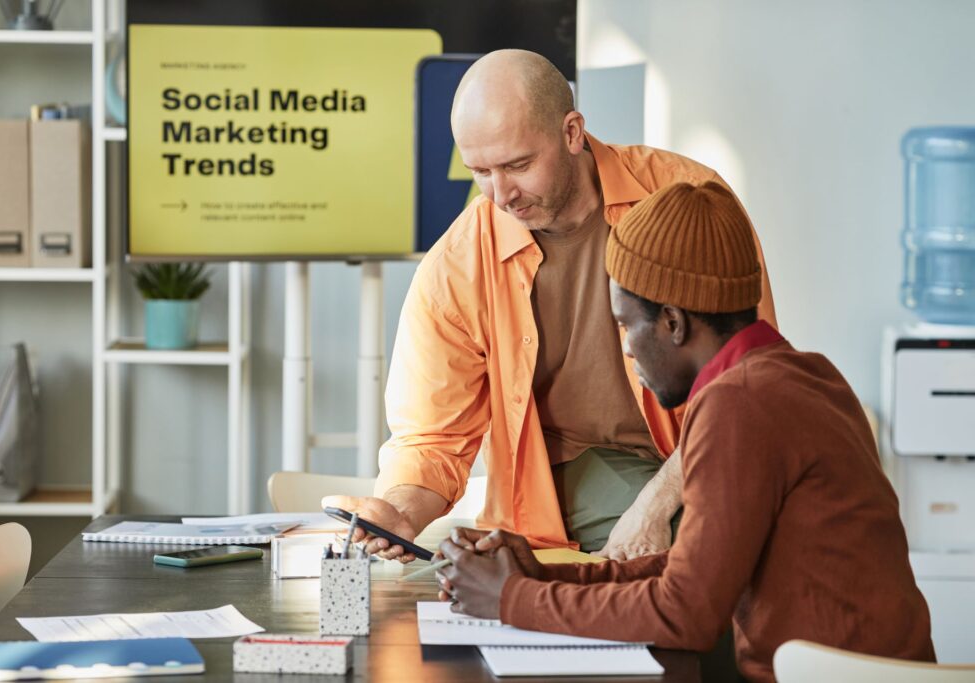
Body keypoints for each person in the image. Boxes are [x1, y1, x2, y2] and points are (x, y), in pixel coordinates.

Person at [434, 181, 936, 682]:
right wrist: (539, 575)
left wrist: (510, 599)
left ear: (672, 322)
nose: (627, 349)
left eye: (627, 325)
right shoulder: (806, 375)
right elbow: (687, 571)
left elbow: (685, 614)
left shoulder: (741, 403)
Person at [324, 49, 776, 560]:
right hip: (575, 468)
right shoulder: (458, 262)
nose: (501, 195)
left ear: (572, 132)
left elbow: (744, 380)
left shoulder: (686, 200)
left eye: (518, 165)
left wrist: (654, 505)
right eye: (481, 171)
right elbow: (432, 436)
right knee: (718, 544)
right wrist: (400, 510)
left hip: (702, 452)